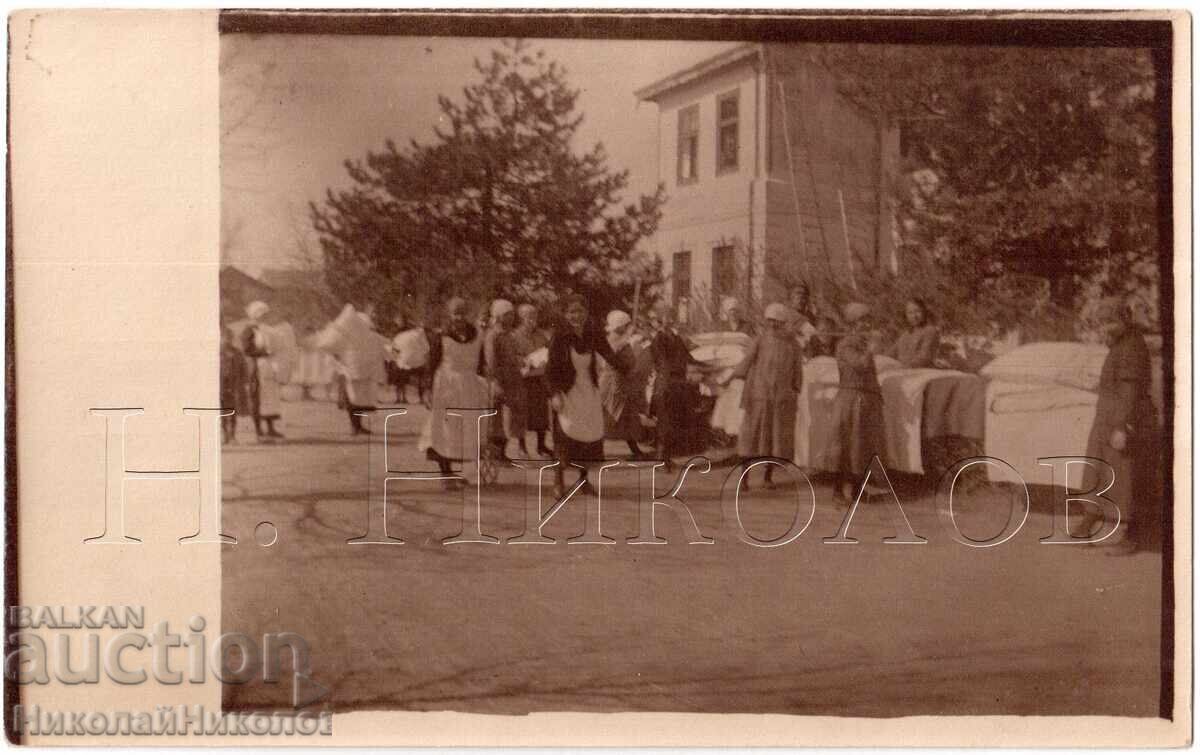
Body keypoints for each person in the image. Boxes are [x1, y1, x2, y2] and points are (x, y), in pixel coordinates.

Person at [1079, 298, 1158, 554]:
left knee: (1126, 479)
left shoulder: (1132, 346)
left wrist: (1121, 427)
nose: (1105, 328)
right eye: (1103, 323)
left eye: (1110, 322)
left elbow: (1131, 389)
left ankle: (1130, 538)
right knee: (1099, 471)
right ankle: (1087, 523)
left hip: (1126, 419)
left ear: (1124, 319)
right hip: (1109, 418)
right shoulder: (1121, 344)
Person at [545, 295, 625, 498]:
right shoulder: (560, 337)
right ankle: (558, 481)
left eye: (580, 311)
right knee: (565, 434)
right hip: (566, 391)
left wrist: (624, 366)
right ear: (565, 314)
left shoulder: (592, 334)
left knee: (589, 434)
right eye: (572, 312)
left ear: (586, 313)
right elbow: (551, 369)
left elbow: (608, 353)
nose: (576, 316)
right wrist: (555, 393)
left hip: (588, 389)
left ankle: (583, 480)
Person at [728, 303, 805, 489]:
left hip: (781, 399)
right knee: (751, 438)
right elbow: (747, 361)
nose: (772, 325)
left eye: (776, 322)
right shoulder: (760, 340)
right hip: (759, 397)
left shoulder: (793, 344)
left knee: (775, 440)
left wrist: (794, 390)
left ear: (783, 323)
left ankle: (768, 477)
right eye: (769, 321)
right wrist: (731, 376)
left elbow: (797, 370)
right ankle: (744, 479)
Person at [418, 297, 490, 487]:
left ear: (468, 315)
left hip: (469, 387)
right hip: (446, 386)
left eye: (462, 313)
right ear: (449, 315)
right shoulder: (441, 336)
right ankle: (445, 473)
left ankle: (454, 473)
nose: (459, 317)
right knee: (444, 429)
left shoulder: (478, 336)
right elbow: (431, 365)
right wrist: (427, 390)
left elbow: (481, 365)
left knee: (465, 430)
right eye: (455, 313)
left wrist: (490, 382)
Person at [822, 301, 885, 502]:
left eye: (868, 320)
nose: (867, 325)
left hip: (865, 399)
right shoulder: (846, 344)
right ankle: (838, 492)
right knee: (845, 445)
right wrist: (872, 349)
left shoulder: (862, 344)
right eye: (862, 321)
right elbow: (860, 365)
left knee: (862, 447)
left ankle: (858, 491)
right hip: (850, 400)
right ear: (853, 324)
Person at [648, 303, 700, 470]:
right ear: (658, 321)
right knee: (665, 423)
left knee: (674, 422)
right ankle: (662, 459)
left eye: (671, 316)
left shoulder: (676, 338)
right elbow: (663, 363)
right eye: (665, 317)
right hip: (665, 385)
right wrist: (679, 371)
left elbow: (688, 357)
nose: (669, 320)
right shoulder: (658, 340)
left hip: (678, 385)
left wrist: (709, 365)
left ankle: (667, 458)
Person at [599, 310, 651, 459]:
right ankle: (598, 450)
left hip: (623, 382)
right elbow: (614, 354)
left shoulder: (622, 338)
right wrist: (629, 337)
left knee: (627, 417)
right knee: (609, 417)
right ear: (619, 325)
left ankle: (635, 449)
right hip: (613, 383)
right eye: (625, 324)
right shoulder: (613, 339)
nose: (627, 327)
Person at [484, 299, 528, 459]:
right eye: (506, 315)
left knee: (510, 417)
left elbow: (515, 355)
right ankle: (496, 451)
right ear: (498, 316)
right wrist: (495, 381)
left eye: (511, 314)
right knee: (497, 416)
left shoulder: (510, 335)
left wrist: (521, 361)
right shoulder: (493, 335)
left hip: (513, 379)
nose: (510, 318)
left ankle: (503, 450)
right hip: (500, 379)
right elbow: (491, 360)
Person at [512, 303, 553, 457]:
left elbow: (548, 350)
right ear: (522, 317)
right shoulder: (515, 335)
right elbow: (513, 355)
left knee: (540, 413)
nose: (533, 319)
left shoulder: (541, 335)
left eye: (535, 315)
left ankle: (541, 446)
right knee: (523, 412)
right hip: (524, 377)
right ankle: (522, 447)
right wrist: (525, 360)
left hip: (539, 377)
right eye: (529, 316)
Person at [241, 300, 284, 441]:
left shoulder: (267, 330)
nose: (264, 317)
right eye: (262, 315)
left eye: (265, 315)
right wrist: (263, 353)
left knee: (270, 397)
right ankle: (259, 431)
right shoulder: (249, 330)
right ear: (255, 315)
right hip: (256, 368)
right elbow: (247, 349)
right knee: (257, 398)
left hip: (268, 367)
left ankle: (271, 428)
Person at [891, 298, 940, 368]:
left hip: (922, 372)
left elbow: (924, 357)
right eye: (910, 312)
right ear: (906, 315)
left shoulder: (930, 331)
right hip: (903, 372)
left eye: (917, 311)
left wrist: (904, 367)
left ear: (924, 312)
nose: (914, 316)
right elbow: (891, 354)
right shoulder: (905, 335)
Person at [219, 324, 247, 444]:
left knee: (233, 410)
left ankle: (233, 435)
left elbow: (244, 368)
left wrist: (244, 382)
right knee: (222, 411)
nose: (227, 339)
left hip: (234, 385)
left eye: (229, 337)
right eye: (224, 337)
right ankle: (225, 434)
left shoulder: (237, 353)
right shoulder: (217, 352)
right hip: (221, 386)